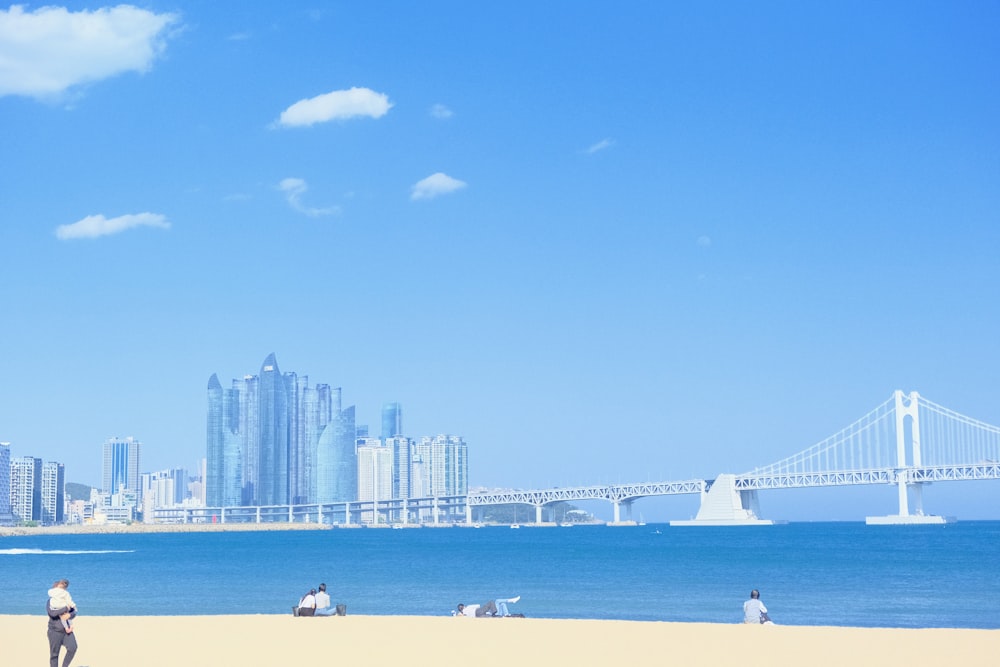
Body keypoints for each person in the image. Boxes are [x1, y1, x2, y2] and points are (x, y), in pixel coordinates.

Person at [46, 579, 78, 667]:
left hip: (66, 632)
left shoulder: (66, 600)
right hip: (54, 632)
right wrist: (65, 609)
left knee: (73, 648)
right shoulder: (51, 602)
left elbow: (74, 611)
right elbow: (52, 613)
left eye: (63, 588)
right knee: (54, 655)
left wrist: (70, 615)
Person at [455, 595, 521, 618]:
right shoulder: (468, 607)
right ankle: (511, 600)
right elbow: (478, 605)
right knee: (494, 601)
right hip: (478, 611)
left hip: (478, 615)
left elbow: (458, 616)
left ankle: (506, 614)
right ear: (463, 606)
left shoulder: (463, 614)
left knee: (502, 604)